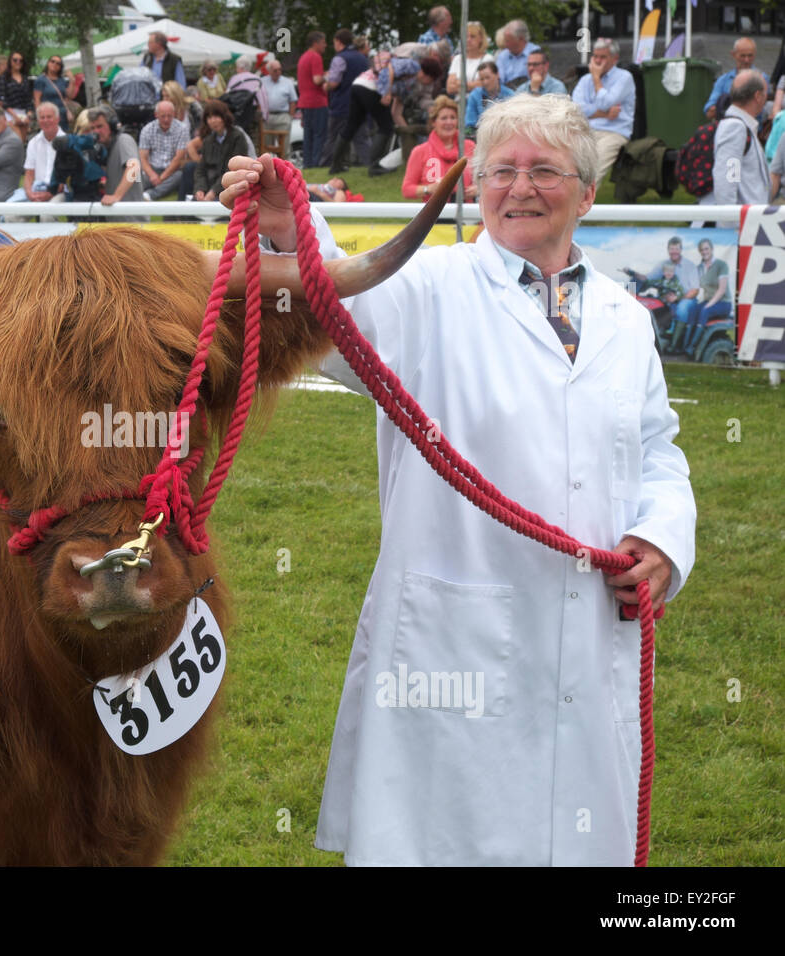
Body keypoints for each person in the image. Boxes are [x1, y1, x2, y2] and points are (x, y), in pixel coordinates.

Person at [219, 91, 696, 867]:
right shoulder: (431, 291)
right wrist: (288, 223)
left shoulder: (623, 317)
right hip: (452, 653)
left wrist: (664, 540)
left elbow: (657, 449)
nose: (520, 187)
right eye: (501, 170)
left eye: (545, 170)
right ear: (475, 187)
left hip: (592, 639)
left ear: (587, 193)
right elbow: (344, 311)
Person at [701, 71, 769, 227]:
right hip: (741, 231)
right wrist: (732, 234)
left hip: (749, 227)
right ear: (758, 96)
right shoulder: (735, 128)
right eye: (766, 93)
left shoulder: (741, 126)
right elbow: (727, 184)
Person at [571, 38, 635, 184]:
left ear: (615, 58)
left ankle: (583, 204)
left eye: (603, 57)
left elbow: (606, 103)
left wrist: (596, 79)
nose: (598, 61)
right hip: (585, 131)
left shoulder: (624, 77)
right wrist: (604, 114)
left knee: (593, 172)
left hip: (613, 132)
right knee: (569, 166)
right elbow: (575, 109)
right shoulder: (585, 80)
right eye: (595, 56)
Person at [401, 95, 475, 201]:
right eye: (444, 118)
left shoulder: (470, 147)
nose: (449, 122)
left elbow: (486, 179)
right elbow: (407, 190)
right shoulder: (420, 151)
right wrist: (428, 189)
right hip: (434, 214)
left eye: (453, 118)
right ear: (433, 122)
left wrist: (477, 189)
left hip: (466, 212)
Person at [674, 239, 732, 357]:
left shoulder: (721, 265)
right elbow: (694, 285)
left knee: (704, 311)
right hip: (708, 301)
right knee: (693, 310)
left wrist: (709, 304)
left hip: (723, 302)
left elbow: (721, 290)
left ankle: (692, 348)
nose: (704, 251)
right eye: (702, 249)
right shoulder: (699, 268)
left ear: (711, 249)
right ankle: (684, 346)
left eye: (706, 249)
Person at [323, 30, 370, 171]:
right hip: (361, 103)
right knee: (361, 138)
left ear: (338, 41)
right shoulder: (363, 58)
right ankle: (369, 163)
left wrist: (326, 85)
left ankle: (329, 163)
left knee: (334, 136)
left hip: (342, 103)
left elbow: (334, 82)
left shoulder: (340, 58)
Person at [193, 99, 249, 202]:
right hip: (209, 188)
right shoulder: (207, 141)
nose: (213, 121)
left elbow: (234, 170)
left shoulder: (237, 137)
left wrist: (213, 191)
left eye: (216, 116)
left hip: (230, 188)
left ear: (224, 117)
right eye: (209, 117)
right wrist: (200, 189)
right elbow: (200, 170)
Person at [10, 101, 67, 204]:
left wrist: (48, 195)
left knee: (46, 214)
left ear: (58, 119)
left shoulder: (67, 141)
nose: (45, 120)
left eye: (49, 117)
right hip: (37, 190)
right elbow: (29, 174)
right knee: (10, 215)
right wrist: (30, 193)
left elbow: (65, 179)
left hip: (60, 192)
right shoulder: (33, 142)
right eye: (42, 117)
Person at [87, 107, 144, 207]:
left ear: (112, 126)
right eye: (92, 128)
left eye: (100, 126)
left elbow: (134, 168)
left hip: (131, 219)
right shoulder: (102, 149)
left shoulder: (124, 140)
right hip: (114, 218)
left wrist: (116, 196)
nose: (96, 131)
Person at [704, 38, 767, 121]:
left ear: (755, 54)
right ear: (733, 54)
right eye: (742, 56)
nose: (746, 60)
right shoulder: (723, 80)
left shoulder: (762, 78)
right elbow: (709, 112)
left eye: (750, 55)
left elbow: (760, 110)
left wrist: (724, 104)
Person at [139, 100, 189, 199]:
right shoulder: (147, 129)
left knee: (180, 176)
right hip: (152, 169)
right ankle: (138, 192)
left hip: (172, 170)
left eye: (169, 116)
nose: (166, 119)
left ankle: (149, 195)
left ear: (174, 114)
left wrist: (161, 178)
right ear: (156, 115)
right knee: (135, 176)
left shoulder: (182, 129)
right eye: (163, 116)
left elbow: (178, 158)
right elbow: (143, 158)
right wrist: (152, 175)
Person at [298, 32, 329, 170]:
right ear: (316, 43)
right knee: (319, 134)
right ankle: (316, 164)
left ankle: (308, 164)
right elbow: (317, 79)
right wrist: (327, 75)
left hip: (304, 102)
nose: (325, 45)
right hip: (317, 101)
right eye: (323, 42)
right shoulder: (315, 57)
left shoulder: (303, 57)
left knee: (308, 135)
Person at [465, 61, 515, 138]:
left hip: (506, 136)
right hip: (481, 137)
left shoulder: (510, 95)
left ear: (497, 75)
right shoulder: (474, 96)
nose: (485, 82)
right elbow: (470, 125)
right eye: (482, 79)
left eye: (488, 77)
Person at [446, 21, 495, 98]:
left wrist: (459, 83)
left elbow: (486, 85)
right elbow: (449, 88)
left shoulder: (488, 59)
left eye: (472, 36)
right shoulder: (457, 59)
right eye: (466, 36)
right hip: (458, 105)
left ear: (481, 38)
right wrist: (473, 84)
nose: (468, 40)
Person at [34, 55, 81, 131]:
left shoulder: (61, 80)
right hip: (48, 116)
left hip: (62, 116)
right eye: (52, 61)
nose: (55, 64)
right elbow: (37, 99)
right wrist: (39, 116)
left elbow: (70, 96)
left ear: (60, 67)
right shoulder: (41, 79)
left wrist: (72, 81)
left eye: (58, 63)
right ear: (48, 63)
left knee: (62, 139)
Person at [260, 59, 299, 138]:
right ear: (269, 71)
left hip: (283, 117)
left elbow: (293, 101)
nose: (278, 72)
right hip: (267, 117)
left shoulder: (287, 82)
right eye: (275, 70)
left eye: (280, 69)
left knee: (284, 145)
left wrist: (290, 117)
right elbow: (259, 100)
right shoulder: (262, 82)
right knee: (266, 145)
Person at [494, 20, 539, 86]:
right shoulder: (503, 56)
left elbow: (538, 81)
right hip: (507, 94)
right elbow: (499, 81)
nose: (505, 44)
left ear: (521, 39)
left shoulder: (536, 54)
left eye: (507, 41)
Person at [0, 51, 33, 132]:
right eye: (15, 60)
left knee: (22, 142)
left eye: (21, 60)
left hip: (24, 114)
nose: (18, 62)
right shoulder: (4, 78)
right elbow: (2, 100)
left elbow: (29, 100)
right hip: (9, 114)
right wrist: (14, 115)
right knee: (14, 140)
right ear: (10, 61)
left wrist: (29, 115)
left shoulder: (25, 79)